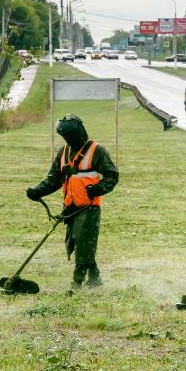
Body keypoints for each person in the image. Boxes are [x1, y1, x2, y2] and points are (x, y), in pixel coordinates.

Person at [26, 114, 119, 289]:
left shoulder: (96, 151)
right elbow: (54, 179)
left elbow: (112, 175)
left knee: (84, 244)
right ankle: (95, 279)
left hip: (89, 207)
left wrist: (98, 188)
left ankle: (77, 284)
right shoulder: (64, 153)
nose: (69, 139)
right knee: (77, 243)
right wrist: (37, 191)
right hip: (70, 207)